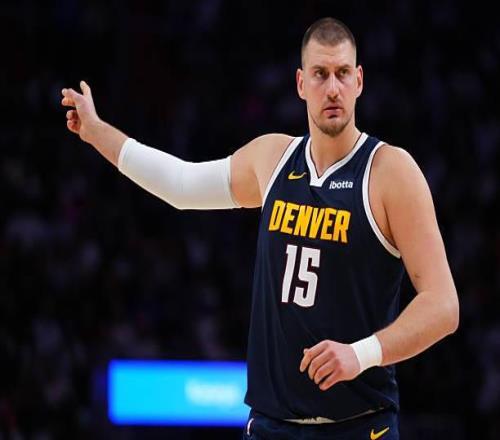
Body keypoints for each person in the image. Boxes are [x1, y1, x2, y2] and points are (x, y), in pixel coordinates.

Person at [61, 17, 459, 440]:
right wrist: (97, 133)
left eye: (343, 73)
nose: (333, 88)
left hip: (360, 425)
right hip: (271, 425)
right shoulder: (272, 159)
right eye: (320, 74)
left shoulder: (390, 172)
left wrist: (361, 354)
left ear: (359, 81)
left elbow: (443, 305)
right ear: (301, 83)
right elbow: (180, 185)